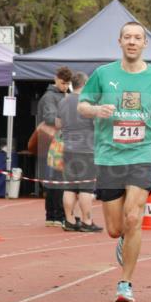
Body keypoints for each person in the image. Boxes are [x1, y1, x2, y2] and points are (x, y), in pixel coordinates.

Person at [78, 21, 151, 302]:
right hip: (110, 155)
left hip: (142, 153)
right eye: (128, 37)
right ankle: (125, 238)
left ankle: (125, 282)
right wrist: (97, 109)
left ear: (145, 44)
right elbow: (82, 104)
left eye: (138, 38)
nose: (133, 42)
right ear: (120, 41)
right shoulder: (103, 74)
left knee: (134, 217)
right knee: (115, 229)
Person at [56, 71, 102, 232]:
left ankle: (69, 220)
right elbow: (98, 125)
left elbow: (57, 124)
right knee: (86, 188)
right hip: (87, 150)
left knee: (69, 187)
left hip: (67, 149)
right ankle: (86, 221)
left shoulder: (63, 101)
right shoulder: (88, 103)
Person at [36, 66, 73, 226]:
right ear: (56, 79)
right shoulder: (49, 97)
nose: (65, 86)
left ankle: (54, 216)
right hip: (51, 143)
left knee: (55, 180)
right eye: (63, 83)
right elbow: (50, 118)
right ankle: (55, 215)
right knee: (56, 180)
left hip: (59, 142)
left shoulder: (64, 94)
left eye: (67, 83)